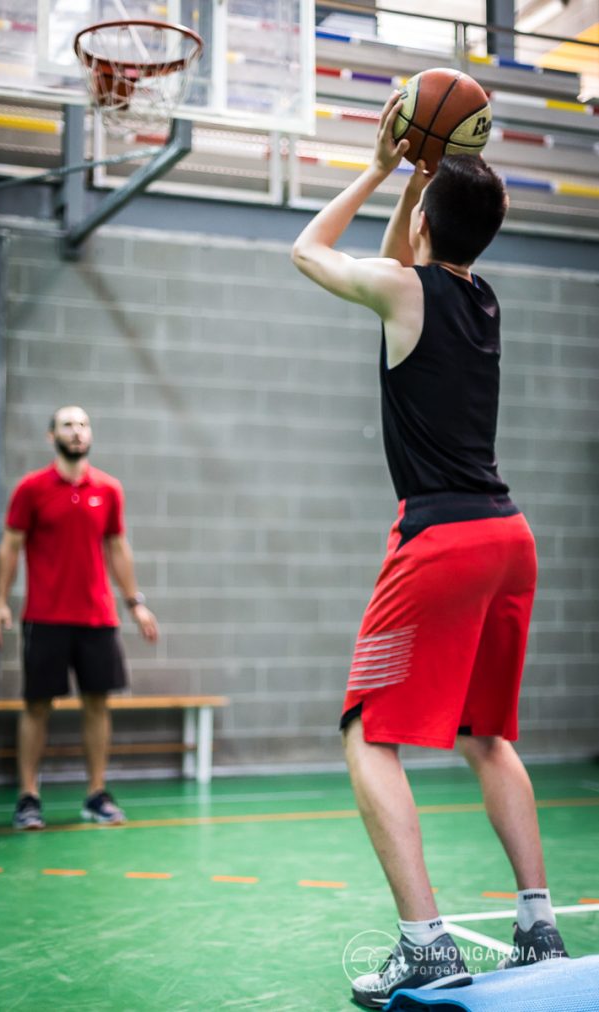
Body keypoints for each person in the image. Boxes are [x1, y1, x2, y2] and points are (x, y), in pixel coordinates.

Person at [292, 92, 568, 1006]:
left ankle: (426, 943)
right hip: (508, 537)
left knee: (369, 735)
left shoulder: (403, 288)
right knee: (485, 736)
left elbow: (308, 251)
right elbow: (411, 252)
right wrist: (423, 182)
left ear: (425, 218)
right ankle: (537, 927)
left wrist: (379, 164)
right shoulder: (482, 297)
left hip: (441, 539)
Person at [0, 405, 158, 831]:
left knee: (97, 704)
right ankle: (29, 796)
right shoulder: (31, 489)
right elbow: (10, 547)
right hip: (45, 617)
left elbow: (118, 548)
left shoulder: (108, 489)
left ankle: (96, 794)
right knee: (37, 706)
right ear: (52, 436)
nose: (77, 431)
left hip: (97, 617)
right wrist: (0, 601)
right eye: (68, 424)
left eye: (83, 424)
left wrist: (134, 601)